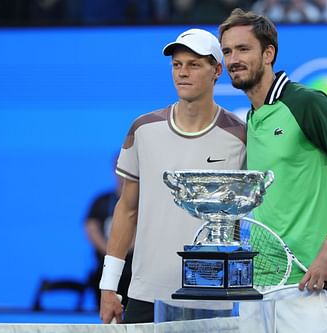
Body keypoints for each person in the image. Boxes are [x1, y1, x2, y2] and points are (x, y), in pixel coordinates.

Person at [219, 8, 327, 332]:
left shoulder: (306, 102)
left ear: (269, 53)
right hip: (258, 285)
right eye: (226, 51)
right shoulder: (250, 119)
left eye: (243, 49)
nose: (233, 59)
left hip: (310, 281)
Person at [99, 28, 246, 324]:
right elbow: (127, 209)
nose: (183, 73)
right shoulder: (143, 129)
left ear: (217, 70)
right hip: (145, 292)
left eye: (194, 65)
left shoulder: (240, 135)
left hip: (212, 293)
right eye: (177, 65)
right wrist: (108, 285)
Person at [84, 162, 132, 310]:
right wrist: (111, 251)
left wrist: (125, 247)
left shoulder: (143, 201)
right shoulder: (102, 201)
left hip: (133, 270)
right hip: (105, 267)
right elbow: (91, 227)